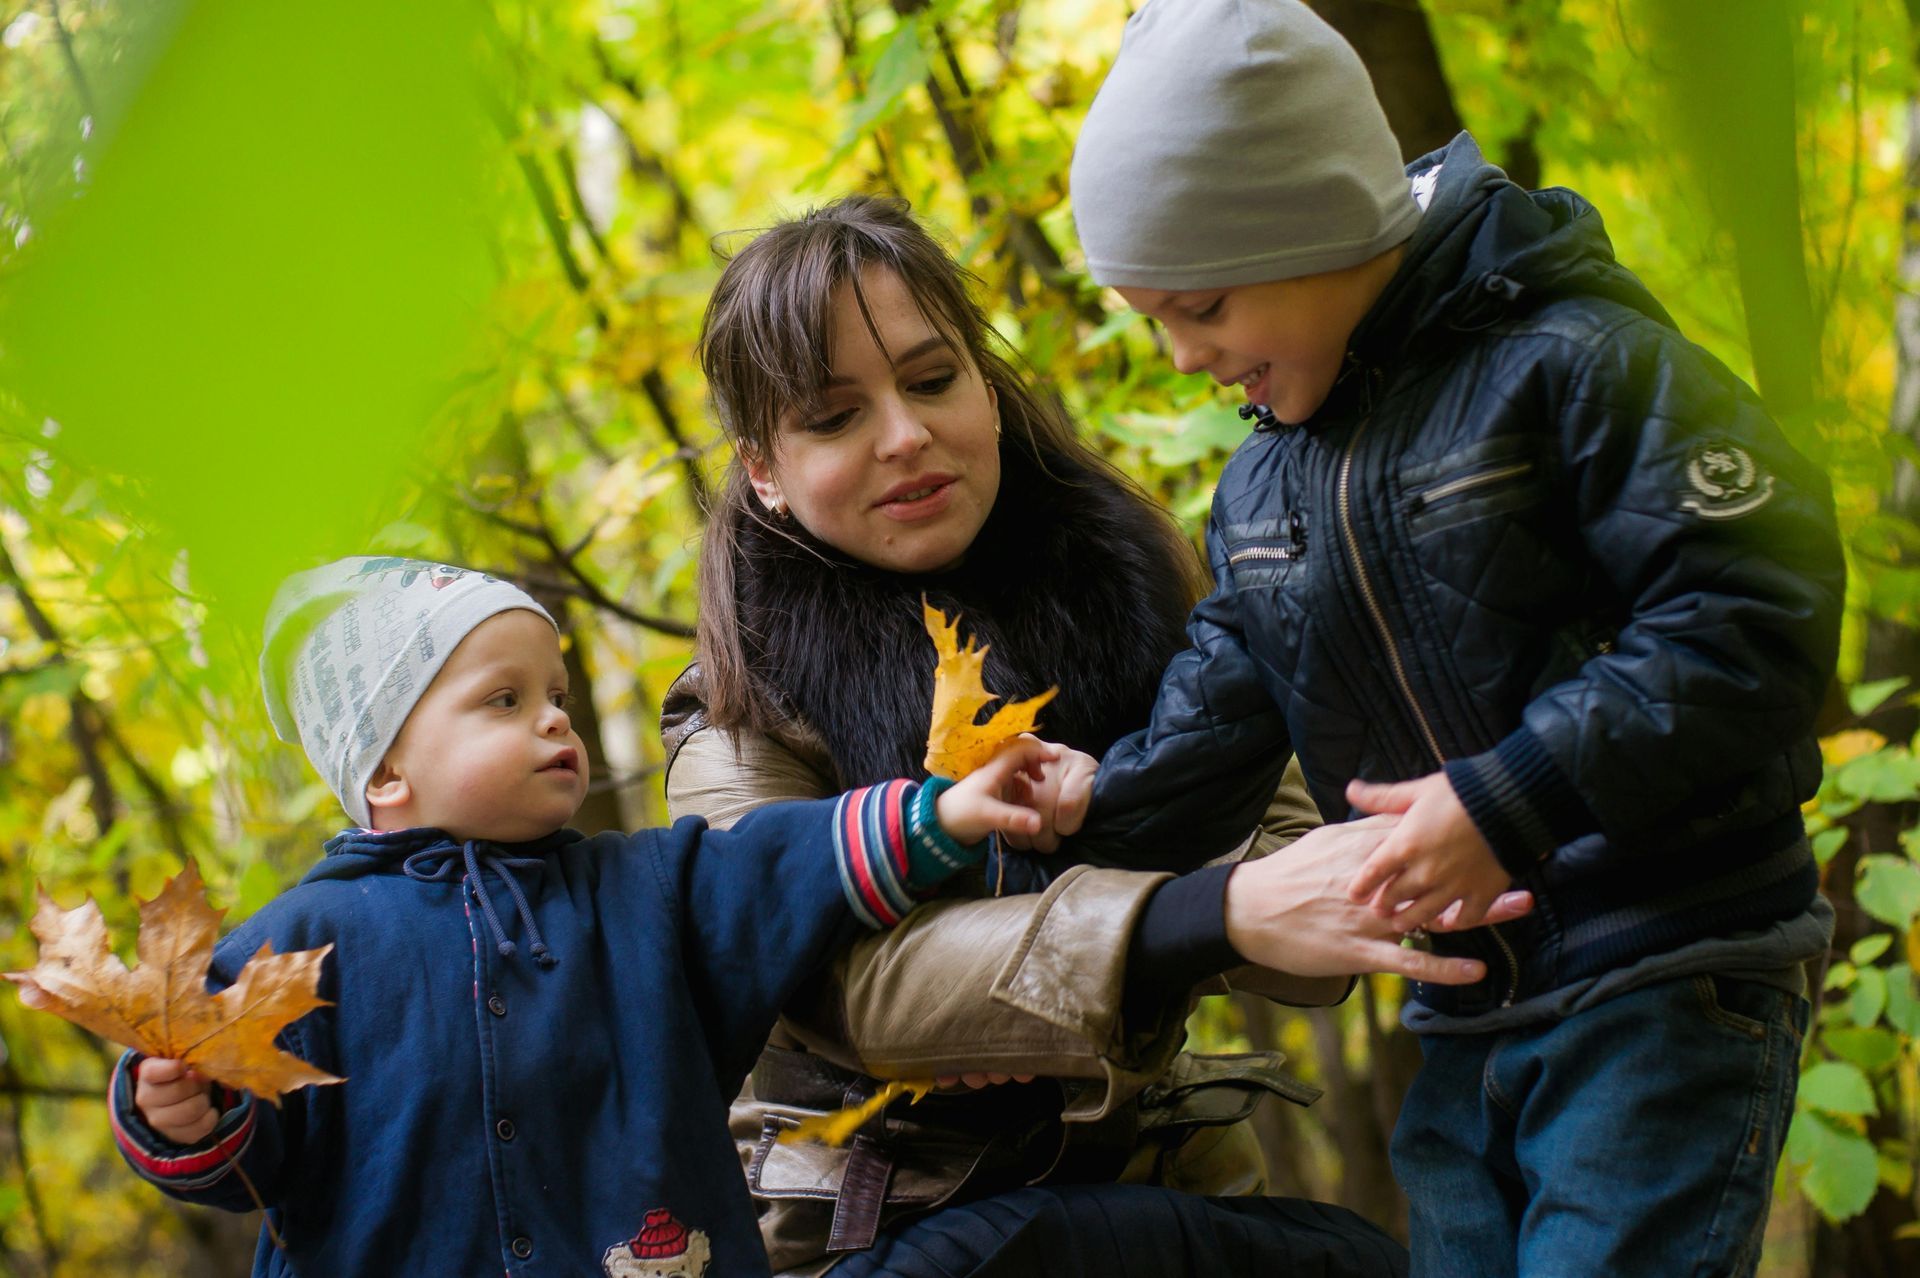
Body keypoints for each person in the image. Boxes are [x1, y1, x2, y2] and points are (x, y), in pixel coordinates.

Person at [1063, 2, 1847, 1275]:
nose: (1182, 355)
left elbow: (1755, 612)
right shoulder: (1266, 489)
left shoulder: (1572, 360)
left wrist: (1510, 798)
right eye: (1154, 316)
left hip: (1660, 966)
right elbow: (1224, 703)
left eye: (1200, 305)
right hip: (1465, 1004)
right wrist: (1096, 799)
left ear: (1311, 221)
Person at [670, 193, 1530, 1276]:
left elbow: (1288, 848)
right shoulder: (736, 707)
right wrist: (1205, 918)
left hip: (1159, 1176)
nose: (906, 436)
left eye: (934, 380)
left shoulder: (1134, 584)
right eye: (835, 417)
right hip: (880, 1223)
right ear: (764, 471)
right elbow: (852, 987)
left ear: (985, 385)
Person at [104, 555, 1060, 1278]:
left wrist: (943, 814)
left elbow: (787, 863)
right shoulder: (299, 946)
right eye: (504, 700)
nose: (556, 719)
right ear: (385, 772)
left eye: (555, 695)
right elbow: (232, 1143)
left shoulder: (644, 890)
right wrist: (182, 1113)